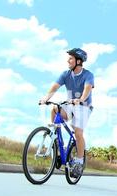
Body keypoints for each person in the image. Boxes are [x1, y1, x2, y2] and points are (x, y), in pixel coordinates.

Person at [39, 47, 94, 177]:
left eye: (71, 58)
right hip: (70, 104)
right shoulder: (65, 74)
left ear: (79, 61)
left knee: (78, 132)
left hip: (83, 106)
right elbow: (55, 87)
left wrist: (80, 99)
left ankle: (79, 162)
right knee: (54, 108)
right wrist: (46, 98)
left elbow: (87, 89)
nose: (68, 61)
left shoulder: (88, 75)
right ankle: (56, 141)